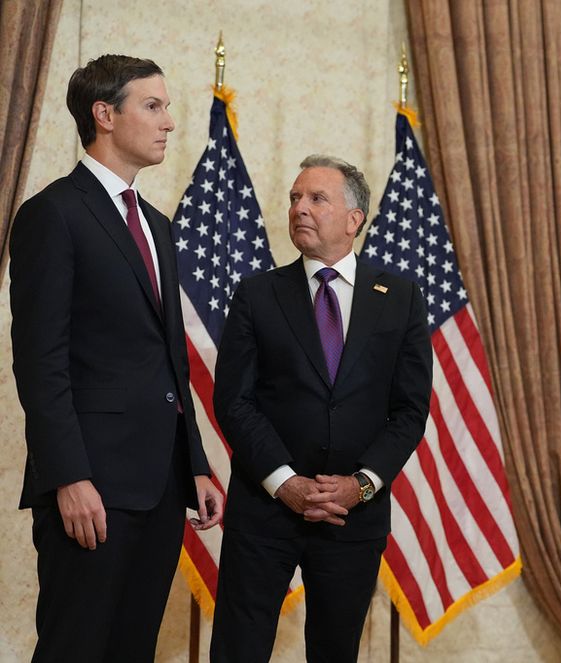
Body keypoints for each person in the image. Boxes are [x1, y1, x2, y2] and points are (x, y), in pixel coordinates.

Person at [8, 54, 223, 663]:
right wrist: (68, 477)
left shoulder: (157, 225)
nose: (169, 123)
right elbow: (39, 362)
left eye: (167, 108)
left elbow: (170, 360)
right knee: (76, 649)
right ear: (104, 114)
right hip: (90, 488)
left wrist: (197, 465)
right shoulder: (53, 215)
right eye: (153, 106)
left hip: (159, 485)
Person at [210, 155, 432, 662]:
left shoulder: (400, 298)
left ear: (355, 219)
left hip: (352, 517)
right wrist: (284, 482)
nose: (299, 209)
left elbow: (410, 411)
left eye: (316, 198)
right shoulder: (256, 294)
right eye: (294, 198)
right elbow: (235, 401)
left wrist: (363, 484)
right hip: (264, 511)